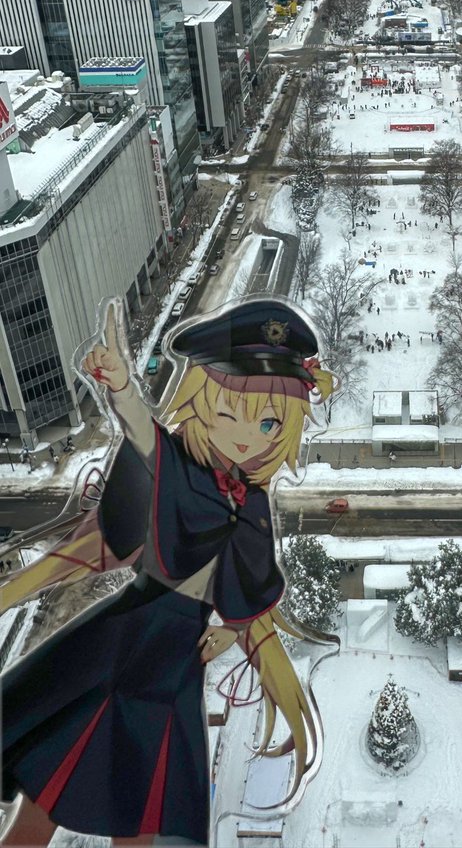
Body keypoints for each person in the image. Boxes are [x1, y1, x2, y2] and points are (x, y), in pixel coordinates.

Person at [0, 298, 337, 846]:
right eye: (227, 412)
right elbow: (145, 437)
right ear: (201, 404)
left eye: (270, 422)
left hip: (175, 668)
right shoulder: (179, 468)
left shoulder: (252, 507)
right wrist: (122, 389)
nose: (248, 437)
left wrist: (231, 631)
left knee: (142, 808)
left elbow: (246, 592)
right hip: (119, 642)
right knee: (49, 788)